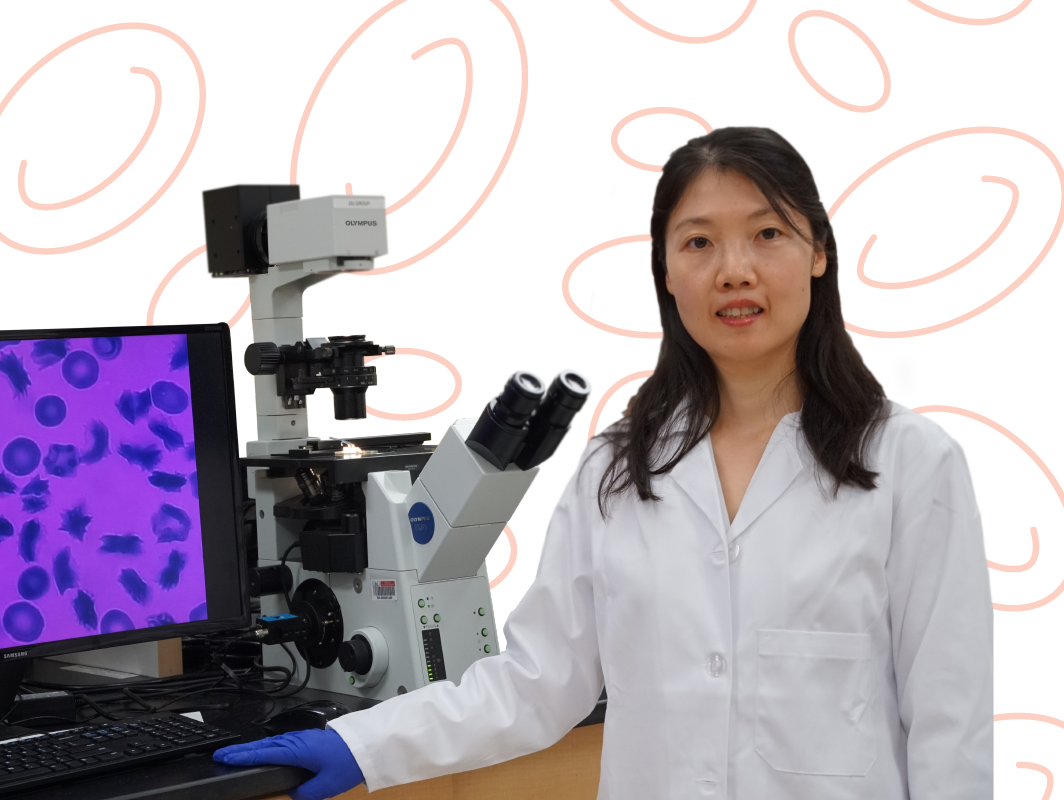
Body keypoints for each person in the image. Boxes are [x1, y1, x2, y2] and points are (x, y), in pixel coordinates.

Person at [214, 127, 994, 799]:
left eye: (767, 234)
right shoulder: (620, 468)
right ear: (666, 271)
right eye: (698, 242)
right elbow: (536, 684)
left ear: (818, 252)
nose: (734, 270)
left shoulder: (911, 465)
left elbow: (950, 729)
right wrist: (362, 746)